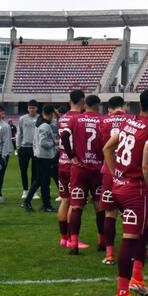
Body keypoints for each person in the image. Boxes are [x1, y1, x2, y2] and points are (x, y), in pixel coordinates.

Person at [103, 89, 148, 296]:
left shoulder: (130, 122)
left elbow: (107, 147)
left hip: (121, 186)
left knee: (142, 232)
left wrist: (116, 174)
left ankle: (137, 280)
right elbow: (147, 164)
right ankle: (121, 294)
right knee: (130, 238)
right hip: (135, 191)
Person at [64, 94, 105, 254]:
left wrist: (71, 156)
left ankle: (73, 244)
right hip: (97, 169)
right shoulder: (102, 120)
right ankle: (102, 242)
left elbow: (64, 135)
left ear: (85, 105)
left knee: (76, 207)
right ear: (97, 106)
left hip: (79, 168)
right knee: (99, 206)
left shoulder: (76, 119)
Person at [96, 96, 130, 264]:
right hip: (128, 170)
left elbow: (102, 145)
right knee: (130, 213)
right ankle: (132, 251)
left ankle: (109, 254)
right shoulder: (132, 120)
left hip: (109, 170)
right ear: (124, 106)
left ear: (110, 107)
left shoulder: (104, 121)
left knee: (110, 213)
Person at [57, 91, 86, 249]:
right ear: (83, 101)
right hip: (72, 165)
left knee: (64, 200)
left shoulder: (63, 117)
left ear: (69, 101)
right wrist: (73, 156)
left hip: (61, 162)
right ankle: (71, 238)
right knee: (74, 203)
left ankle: (63, 237)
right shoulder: (78, 118)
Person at [24, 104, 58, 213]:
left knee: (39, 180)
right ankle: (46, 205)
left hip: (39, 155)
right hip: (45, 156)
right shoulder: (45, 126)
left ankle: (28, 201)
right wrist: (54, 143)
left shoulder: (40, 122)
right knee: (44, 182)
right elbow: (43, 143)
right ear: (51, 114)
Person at [17, 100, 39, 201]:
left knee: (35, 171)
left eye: (33, 108)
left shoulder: (40, 118)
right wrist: (18, 147)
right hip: (24, 147)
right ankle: (25, 190)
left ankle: (33, 191)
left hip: (36, 148)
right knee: (23, 170)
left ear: (36, 108)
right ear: (27, 108)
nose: (31, 110)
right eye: (30, 108)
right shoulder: (22, 119)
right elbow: (19, 133)